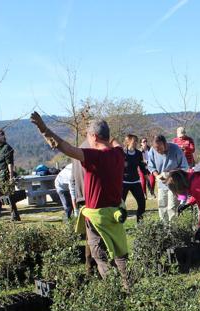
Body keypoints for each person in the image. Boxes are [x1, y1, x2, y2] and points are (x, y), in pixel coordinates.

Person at [30, 112, 129, 285]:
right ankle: (129, 287)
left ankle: (113, 292)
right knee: (120, 254)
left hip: (97, 217)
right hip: (116, 214)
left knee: (101, 256)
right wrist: (110, 138)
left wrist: (43, 129)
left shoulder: (94, 157)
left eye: (88, 136)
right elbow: (115, 142)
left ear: (94, 136)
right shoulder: (119, 154)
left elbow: (64, 147)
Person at [146, 134, 189, 221]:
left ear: (165, 144)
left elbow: (184, 167)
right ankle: (164, 228)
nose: (158, 151)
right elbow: (151, 166)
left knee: (172, 207)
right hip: (161, 183)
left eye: (160, 148)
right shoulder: (152, 150)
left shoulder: (176, 149)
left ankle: (173, 228)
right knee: (162, 205)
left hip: (174, 183)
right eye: (156, 149)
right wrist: (157, 175)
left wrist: (169, 173)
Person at [70, 140, 95, 273]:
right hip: (93, 197)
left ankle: (90, 264)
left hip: (82, 197)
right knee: (95, 235)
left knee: (89, 234)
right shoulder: (94, 150)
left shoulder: (77, 150)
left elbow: (73, 179)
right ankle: (91, 265)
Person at [0, 129, 21, 221]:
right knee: (10, 197)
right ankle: (15, 216)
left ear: (3, 136)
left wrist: (11, 177)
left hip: (5, 176)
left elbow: (10, 164)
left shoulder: (7, 148)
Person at [122, 134, 148, 221]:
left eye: (137, 141)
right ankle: (119, 222)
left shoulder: (138, 153)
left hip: (136, 182)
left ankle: (140, 223)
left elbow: (142, 167)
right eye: (134, 141)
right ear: (128, 142)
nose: (136, 143)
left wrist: (147, 177)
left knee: (142, 203)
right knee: (121, 205)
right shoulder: (122, 153)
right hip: (124, 183)